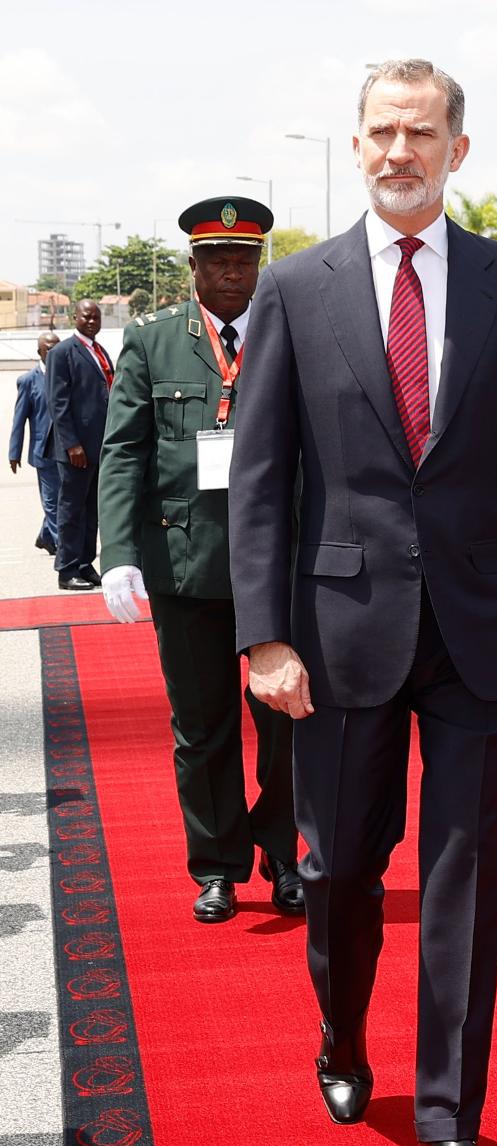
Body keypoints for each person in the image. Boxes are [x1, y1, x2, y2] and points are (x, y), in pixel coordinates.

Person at [228, 59, 497, 1146]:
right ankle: (342, 1029)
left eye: (419, 133)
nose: (397, 151)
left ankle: (448, 1120)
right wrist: (262, 637)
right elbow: (262, 480)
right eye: (380, 131)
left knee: (462, 883)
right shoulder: (297, 287)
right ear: (357, 143)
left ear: (456, 151)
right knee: (337, 872)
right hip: (336, 636)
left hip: (479, 631)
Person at [96, 196, 301, 925]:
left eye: (244, 260)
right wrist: (117, 552)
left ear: (259, 265)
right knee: (202, 723)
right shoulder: (152, 341)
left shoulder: (290, 329)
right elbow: (125, 452)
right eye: (217, 260)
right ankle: (217, 865)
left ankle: (284, 853)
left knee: (286, 718)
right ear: (193, 267)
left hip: (278, 563)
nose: (231, 273)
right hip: (186, 562)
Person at [46, 299, 112, 591]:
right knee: (71, 511)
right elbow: (57, 404)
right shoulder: (62, 353)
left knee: (92, 511)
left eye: (96, 317)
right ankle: (67, 569)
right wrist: (72, 444)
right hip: (75, 450)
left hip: (99, 447)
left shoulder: (100, 352)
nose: (92, 321)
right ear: (75, 317)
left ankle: (85, 565)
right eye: (87, 316)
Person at [9, 332, 61, 556]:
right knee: (52, 501)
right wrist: (14, 452)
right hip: (43, 453)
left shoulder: (68, 374)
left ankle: (45, 535)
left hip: (69, 450)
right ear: (39, 351)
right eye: (49, 348)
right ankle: (64, 548)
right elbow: (19, 420)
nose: (54, 352)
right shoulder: (28, 381)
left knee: (64, 499)